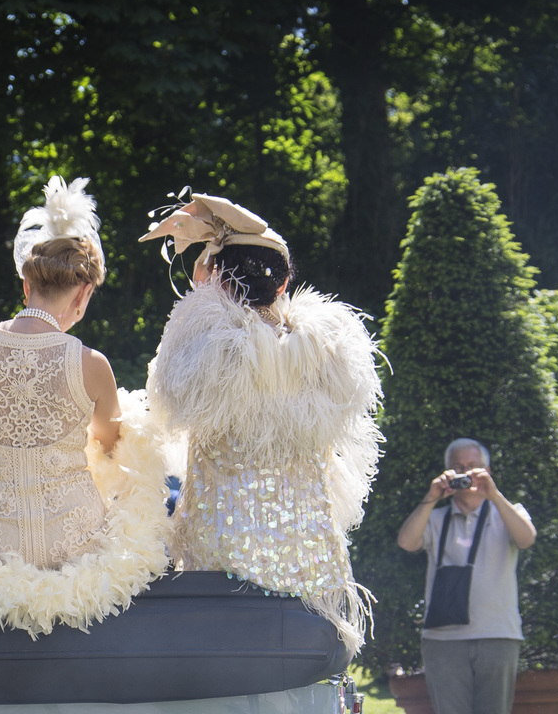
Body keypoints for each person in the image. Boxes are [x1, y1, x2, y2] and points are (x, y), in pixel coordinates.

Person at [0, 176, 169, 636]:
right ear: (82, 294)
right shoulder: (90, 364)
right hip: (78, 557)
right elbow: (116, 451)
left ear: (26, 284)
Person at [139, 193, 381, 649]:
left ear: (219, 281)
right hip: (309, 557)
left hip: (219, 559)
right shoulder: (328, 353)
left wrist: (205, 293)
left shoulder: (207, 352)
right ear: (285, 280)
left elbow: (164, 407)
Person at [394, 439, 537, 714]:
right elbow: (407, 542)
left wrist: (494, 493)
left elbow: (526, 538)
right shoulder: (437, 518)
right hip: (444, 640)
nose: (465, 474)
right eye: (457, 467)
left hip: (498, 634)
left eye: (473, 467)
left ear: (487, 471)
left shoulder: (505, 512)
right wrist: (430, 497)